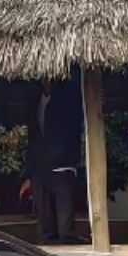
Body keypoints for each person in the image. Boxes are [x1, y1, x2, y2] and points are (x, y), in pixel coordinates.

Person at [20, 77, 85, 245]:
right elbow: (32, 141)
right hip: (40, 172)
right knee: (47, 230)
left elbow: (82, 110)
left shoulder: (66, 100)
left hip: (62, 169)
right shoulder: (34, 104)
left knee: (66, 231)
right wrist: (29, 176)